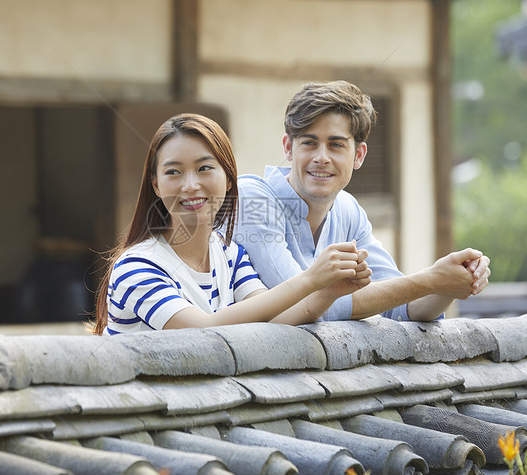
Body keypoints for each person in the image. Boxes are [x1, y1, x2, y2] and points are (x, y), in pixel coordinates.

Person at [235, 81, 491, 323]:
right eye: (309, 143)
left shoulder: (348, 209)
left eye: (335, 145)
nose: (321, 157)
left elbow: (401, 308)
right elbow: (302, 306)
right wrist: (430, 280)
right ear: (288, 149)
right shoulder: (252, 199)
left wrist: (451, 283)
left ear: (358, 155)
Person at [93, 113, 371, 335]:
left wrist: (329, 291)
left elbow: (274, 320)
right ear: (156, 185)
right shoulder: (138, 265)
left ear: (229, 179)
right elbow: (202, 331)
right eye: (173, 172)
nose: (190, 185)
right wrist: (311, 279)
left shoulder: (230, 255)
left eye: (204, 168)